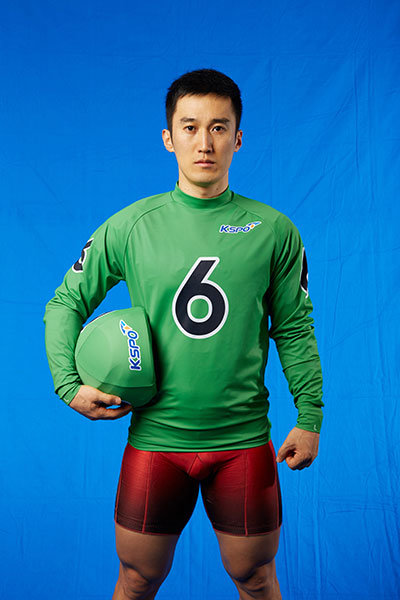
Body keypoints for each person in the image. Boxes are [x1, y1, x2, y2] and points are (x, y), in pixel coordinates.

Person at [44, 68, 323, 600]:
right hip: (157, 441)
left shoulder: (274, 230)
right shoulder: (131, 226)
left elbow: (294, 327)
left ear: (238, 138)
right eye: (190, 127)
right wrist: (68, 385)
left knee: (256, 578)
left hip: (243, 441)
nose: (204, 142)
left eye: (219, 128)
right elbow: (64, 303)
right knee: (137, 579)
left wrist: (309, 416)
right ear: (169, 137)